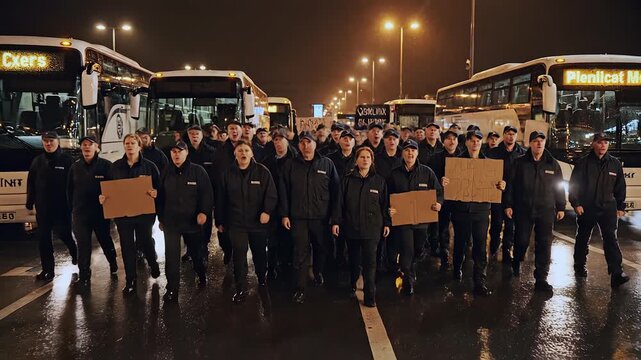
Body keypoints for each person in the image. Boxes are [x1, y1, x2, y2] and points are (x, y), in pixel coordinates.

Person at [279, 131, 339, 304]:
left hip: (321, 218)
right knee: (300, 253)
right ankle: (300, 287)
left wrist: (335, 219)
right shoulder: (290, 165)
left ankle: (318, 272)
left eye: (309, 142)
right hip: (298, 218)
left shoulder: (327, 164)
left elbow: (336, 192)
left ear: (315, 144)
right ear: (299, 146)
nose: (306, 145)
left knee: (321, 248)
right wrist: (284, 214)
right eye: (302, 143)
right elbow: (283, 192)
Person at [443, 130, 505, 296]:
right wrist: (446, 182)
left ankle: (480, 281)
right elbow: (449, 186)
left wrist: (501, 185)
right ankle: (457, 268)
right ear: (467, 143)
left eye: (478, 140)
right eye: (472, 140)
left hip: (481, 211)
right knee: (460, 243)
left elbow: (497, 185)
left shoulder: (489, 165)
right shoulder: (456, 163)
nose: (475, 143)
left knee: (479, 245)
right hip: (461, 211)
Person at [504, 131, 566, 293]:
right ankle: (516, 260)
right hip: (523, 209)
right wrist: (508, 205)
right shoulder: (519, 163)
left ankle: (541, 279)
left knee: (544, 244)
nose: (539, 144)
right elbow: (510, 185)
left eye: (542, 141)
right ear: (530, 143)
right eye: (536, 141)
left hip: (545, 210)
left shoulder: (552, 164)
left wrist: (561, 206)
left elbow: (559, 186)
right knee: (522, 240)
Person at [217, 141, 278, 302]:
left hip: (258, 223)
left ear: (252, 153)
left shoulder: (262, 172)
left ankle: (261, 277)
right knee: (239, 254)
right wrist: (220, 220)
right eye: (240, 151)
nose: (243, 153)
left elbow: (271, 194)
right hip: (236, 223)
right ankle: (241, 287)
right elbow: (221, 198)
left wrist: (267, 211)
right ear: (235, 154)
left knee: (259, 253)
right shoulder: (228, 173)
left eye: (246, 150)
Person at [332, 146, 391, 307]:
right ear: (356, 160)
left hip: (372, 230)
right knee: (354, 260)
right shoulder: (347, 180)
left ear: (372, 161)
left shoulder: (379, 181)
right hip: (351, 228)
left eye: (368, 157)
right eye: (362, 157)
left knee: (370, 263)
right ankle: (352, 282)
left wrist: (386, 223)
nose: (365, 160)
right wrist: (336, 222)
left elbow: (385, 205)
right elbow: (339, 204)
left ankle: (370, 295)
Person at [569, 132, 630, 287]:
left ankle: (616, 272)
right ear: (593, 144)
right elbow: (574, 184)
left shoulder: (615, 163)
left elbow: (620, 187)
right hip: (587, 207)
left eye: (606, 142)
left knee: (610, 238)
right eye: (600, 142)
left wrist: (621, 206)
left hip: (607, 208)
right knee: (583, 237)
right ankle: (579, 264)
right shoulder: (583, 163)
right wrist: (576, 203)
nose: (603, 145)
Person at [103, 134, 160, 295]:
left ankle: (153, 263)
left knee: (145, 241)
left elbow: (160, 187)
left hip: (144, 215)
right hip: (123, 215)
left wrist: (155, 193)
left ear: (139, 146)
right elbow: (108, 188)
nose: (129, 146)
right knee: (127, 247)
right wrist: (104, 197)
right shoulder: (115, 167)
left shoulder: (149, 167)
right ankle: (130, 280)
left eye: (133, 143)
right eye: (127, 143)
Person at [158, 141, 213, 302]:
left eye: (180, 151)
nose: (176, 154)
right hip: (171, 223)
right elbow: (160, 196)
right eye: (173, 151)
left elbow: (207, 194)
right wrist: (160, 218)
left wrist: (204, 212)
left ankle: (201, 273)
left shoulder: (198, 171)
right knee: (172, 257)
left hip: (192, 223)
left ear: (186, 153)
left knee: (196, 254)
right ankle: (172, 289)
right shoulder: (166, 171)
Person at [388, 139, 443, 295]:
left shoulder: (427, 172)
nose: (410, 153)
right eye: (407, 150)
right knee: (407, 250)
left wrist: (438, 203)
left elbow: (438, 192)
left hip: (421, 222)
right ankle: (408, 280)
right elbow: (387, 195)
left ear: (417, 153)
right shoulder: (394, 174)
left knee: (418, 249)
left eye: (413, 150)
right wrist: (389, 209)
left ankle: (410, 267)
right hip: (403, 222)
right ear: (402, 153)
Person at [26, 131, 77, 282]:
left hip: (62, 207)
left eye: (51, 141)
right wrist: (29, 201)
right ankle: (48, 271)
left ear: (58, 142)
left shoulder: (67, 161)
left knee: (64, 235)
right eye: (46, 141)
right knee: (44, 240)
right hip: (43, 208)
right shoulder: (37, 161)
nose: (48, 144)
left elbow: (75, 183)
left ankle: (75, 252)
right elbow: (31, 183)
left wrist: (75, 202)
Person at [67, 135, 118, 285]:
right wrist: (72, 209)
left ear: (97, 147)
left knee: (105, 240)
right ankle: (84, 275)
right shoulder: (75, 167)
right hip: (81, 214)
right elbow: (69, 190)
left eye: (90, 144)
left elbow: (115, 189)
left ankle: (112, 262)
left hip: (100, 213)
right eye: (84, 145)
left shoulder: (106, 166)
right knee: (83, 244)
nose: (86, 147)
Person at [262, 129, 298, 280]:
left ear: (287, 141)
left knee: (289, 238)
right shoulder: (268, 161)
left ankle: (287, 264)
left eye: (281, 139)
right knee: (272, 239)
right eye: (275, 140)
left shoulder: (296, 160)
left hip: (291, 206)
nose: (278, 143)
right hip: (272, 207)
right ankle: (271, 266)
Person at [486, 125, 525, 263]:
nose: (511, 137)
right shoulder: (493, 153)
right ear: (504, 135)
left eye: (513, 134)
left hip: (514, 195)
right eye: (508, 134)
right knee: (496, 223)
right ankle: (494, 245)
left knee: (510, 224)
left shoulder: (522, 153)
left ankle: (507, 250)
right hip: (497, 194)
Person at [427, 129, 460, 271]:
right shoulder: (435, 158)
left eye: (454, 139)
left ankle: (460, 253)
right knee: (443, 227)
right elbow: (430, 179)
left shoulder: (463, 157)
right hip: (443, 199)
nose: (451, 141)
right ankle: (444, 250)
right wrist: (440, 182)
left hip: (459, 199)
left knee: (460, 227)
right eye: (448, 138)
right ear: (443, 141)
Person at [212, 120, 244, 265]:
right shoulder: (220, 150)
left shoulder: (247, 148)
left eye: (236, 129)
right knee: (222, 227)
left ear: (241, 130)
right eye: (231, 129)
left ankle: (239, 257)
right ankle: (227, 250)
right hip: (224, 193)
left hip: (243, 194)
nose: (234, 131)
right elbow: (216, 171)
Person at [185, 124, 217, 264]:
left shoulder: (211, 152)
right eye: (192, 134)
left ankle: (203, 249)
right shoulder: (184, 151)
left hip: (205, 193)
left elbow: (216, 174)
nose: (194, 136)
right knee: (188, 222)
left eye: (197, 133)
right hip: (188, 194)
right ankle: (190, 250)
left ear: (202, 135)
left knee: (205, 223)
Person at [374, 128, 403, 273]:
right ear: (384, 140)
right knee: (381, 232)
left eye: (394, 138)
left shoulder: (404, 156)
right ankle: (378, 262)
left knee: (396, 234)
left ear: (398, 140)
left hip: (400, 201)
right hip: (380, 200)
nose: (392, 141)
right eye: (389, 138)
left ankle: (392, 262)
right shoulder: (377, 158)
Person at [327, 130, 357, 267]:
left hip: (353, 200)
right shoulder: (330, 159)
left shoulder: (359, 157)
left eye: (350, 139)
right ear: (339, 141)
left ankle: (350, 260)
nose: (347, 141)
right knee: (336, 232)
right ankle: (336, 259)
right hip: (333, 198)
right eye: (344, 138)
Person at [418, 123, 444, 258]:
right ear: (426, 131)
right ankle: (423, 246)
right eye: (430, 129)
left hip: (437, 187)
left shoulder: (442, 148)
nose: (433, 132)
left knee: (436, 221)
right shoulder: (418, 147)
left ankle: (434, 245)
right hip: (422, 188)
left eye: (435, 130)